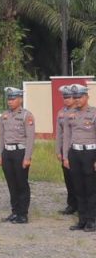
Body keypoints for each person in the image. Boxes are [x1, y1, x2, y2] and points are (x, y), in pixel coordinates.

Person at [0, 87, 34, 224]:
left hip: (20, 152)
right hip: (7, 152)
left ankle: (23, 214)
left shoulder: (26, 115)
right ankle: (15, 211)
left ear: (20, 99)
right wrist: (0, 154)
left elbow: (30, 138)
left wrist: (27, 157)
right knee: (11, 184)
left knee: (21, 183)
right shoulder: (5, 115)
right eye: (9, 99)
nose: (10, 102)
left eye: (13, 99)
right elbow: (1, 135)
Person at [64, 84, 96, 232]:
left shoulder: (94, 113)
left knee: (91, 188)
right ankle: (82, 220)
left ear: (87, 97)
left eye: (80, 97)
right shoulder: (70, 114)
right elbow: (67, 137)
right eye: (75, 97)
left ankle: (92, 220)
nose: (77, 100)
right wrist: (66, 156)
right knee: (78, 188)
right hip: (74, 153)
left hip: (90, 154)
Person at [55, 86, 79, 216]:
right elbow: (59, 133)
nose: (66, 100)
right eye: (64, 98)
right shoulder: (61, 113)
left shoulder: (80, 112)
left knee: (79, 179)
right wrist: (58, 151)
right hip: (65, 150)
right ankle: (72, 204)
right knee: (68, 178)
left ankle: (82, 205)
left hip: (77, 149)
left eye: (69, 97)